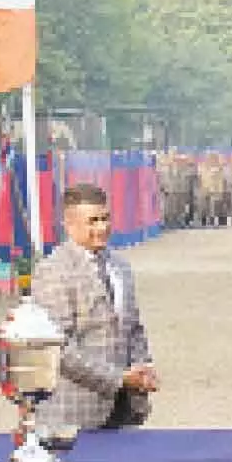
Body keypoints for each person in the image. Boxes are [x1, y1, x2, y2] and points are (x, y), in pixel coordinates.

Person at [32, 183, 158, 433]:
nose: (102, 228)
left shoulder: (120, 266)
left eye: (105, 218)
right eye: (93, 221)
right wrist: (118, 378)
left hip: (125, 411)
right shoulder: (53, 271)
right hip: (74, 416)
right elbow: (58, 348)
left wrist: (143, 366)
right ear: (69, 225)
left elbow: (133, 327)